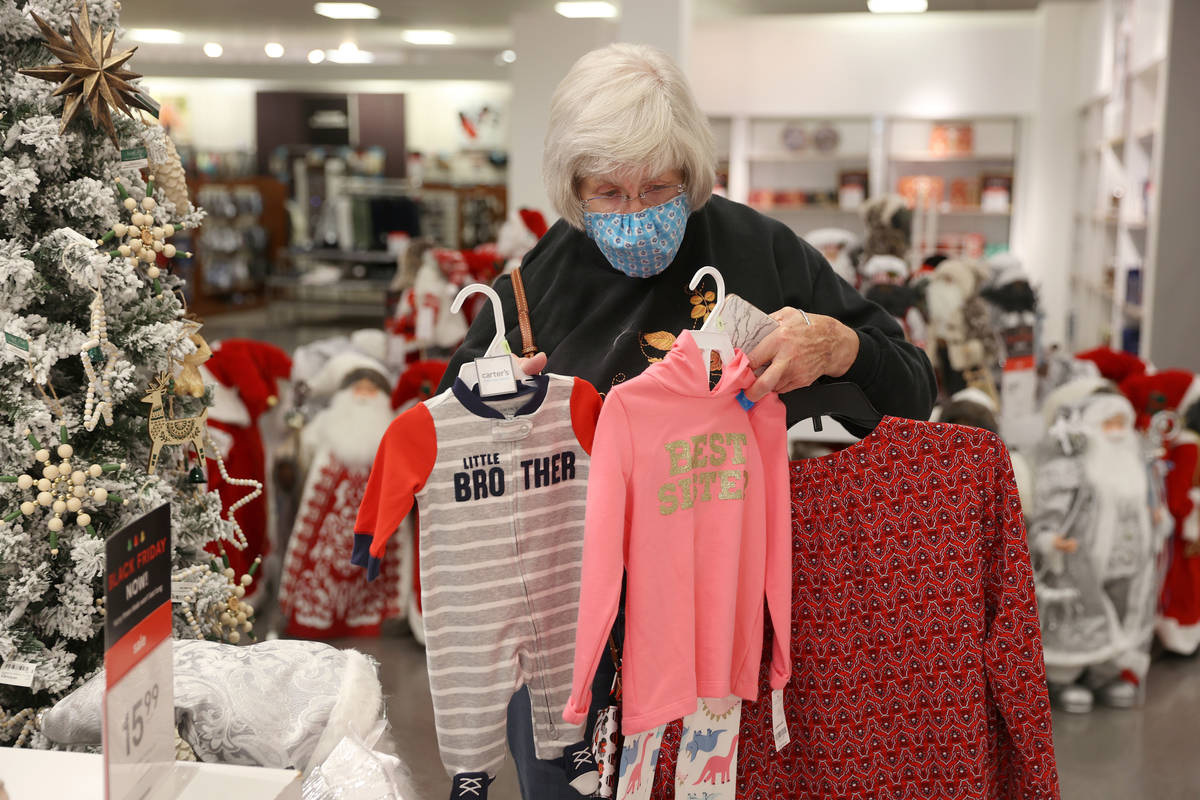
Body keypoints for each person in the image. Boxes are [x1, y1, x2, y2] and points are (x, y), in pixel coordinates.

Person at [438, 42, 936, 798]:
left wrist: (838, 347)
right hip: (574, 636)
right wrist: (502, 401)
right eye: (607, 192)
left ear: (692, 175)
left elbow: (913, 390)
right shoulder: (532, 288)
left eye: (658, 188)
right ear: (574, 188)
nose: (634, 213)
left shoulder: (762, 254)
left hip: (732, 629)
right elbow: (452, 435)